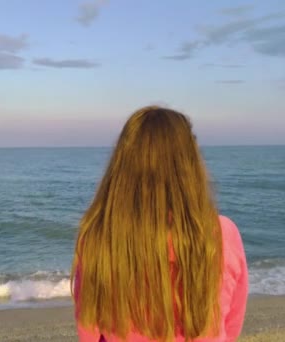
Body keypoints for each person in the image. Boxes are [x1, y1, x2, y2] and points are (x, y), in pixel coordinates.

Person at [71, 106, 248, 341]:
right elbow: (232, 322)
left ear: (122, 165)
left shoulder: (99, 236)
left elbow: (89, 328)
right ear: (189, 164)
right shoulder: (222, 234)